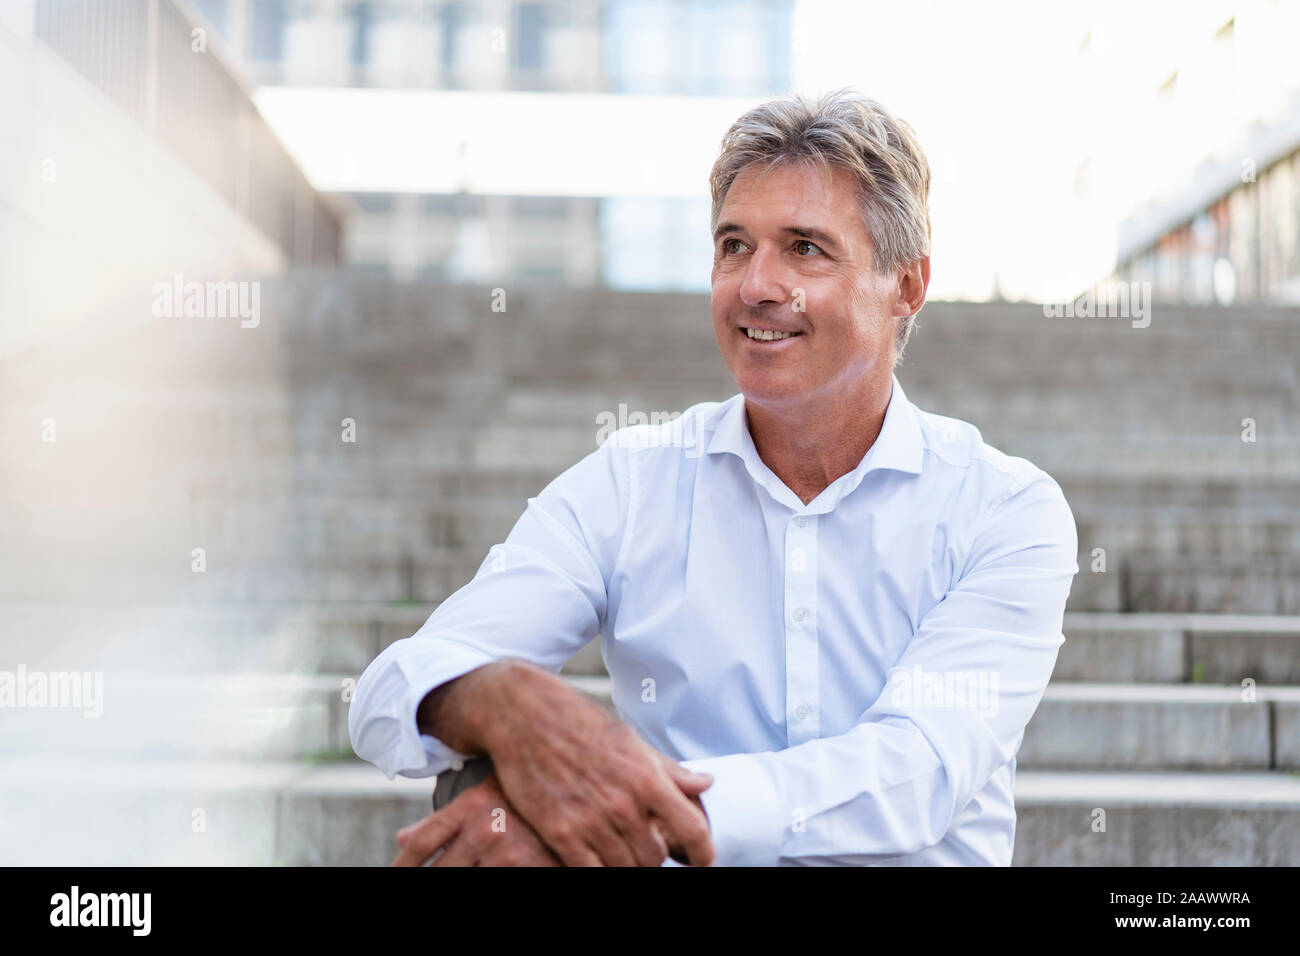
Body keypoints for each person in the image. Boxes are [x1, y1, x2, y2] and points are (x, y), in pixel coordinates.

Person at [349, 88, 1078, 867]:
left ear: (906, 285)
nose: (755, 285)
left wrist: (609, 804)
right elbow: (389, 695)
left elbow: (917, 772)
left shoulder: (1006, 511)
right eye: (734, 245)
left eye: (804, 248)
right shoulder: (629, 485)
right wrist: (495, 701)